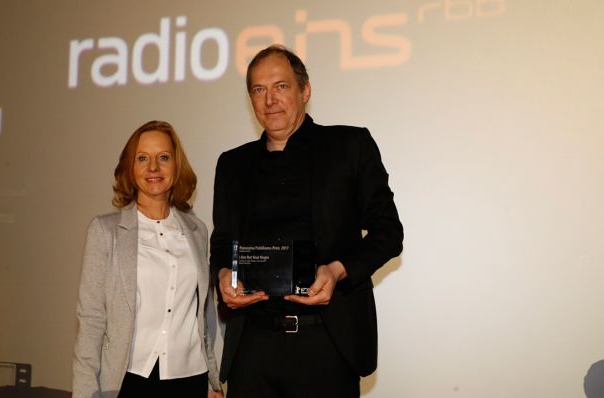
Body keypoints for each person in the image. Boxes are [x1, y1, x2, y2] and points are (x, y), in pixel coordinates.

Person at [210, 45, 404, 397]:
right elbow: (222, 242)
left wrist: (337, 270)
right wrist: (224, 273)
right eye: (258, 89)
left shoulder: (349, 145)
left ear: (305, 91)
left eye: (281, 86)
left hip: (326, 343)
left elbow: (388, 233)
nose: (270, 100)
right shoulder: (232, 164)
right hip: (252, 348)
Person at [73, 121, 223, 398]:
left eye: (163, 158)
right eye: (143, 158)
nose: (153, 167)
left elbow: (202, 316)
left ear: (177, 167)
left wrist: (212, 381)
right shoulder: (105, 231)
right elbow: (92, 319)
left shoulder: (197, 231)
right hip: (129, 381)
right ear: (130, 169)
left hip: (191, 378)